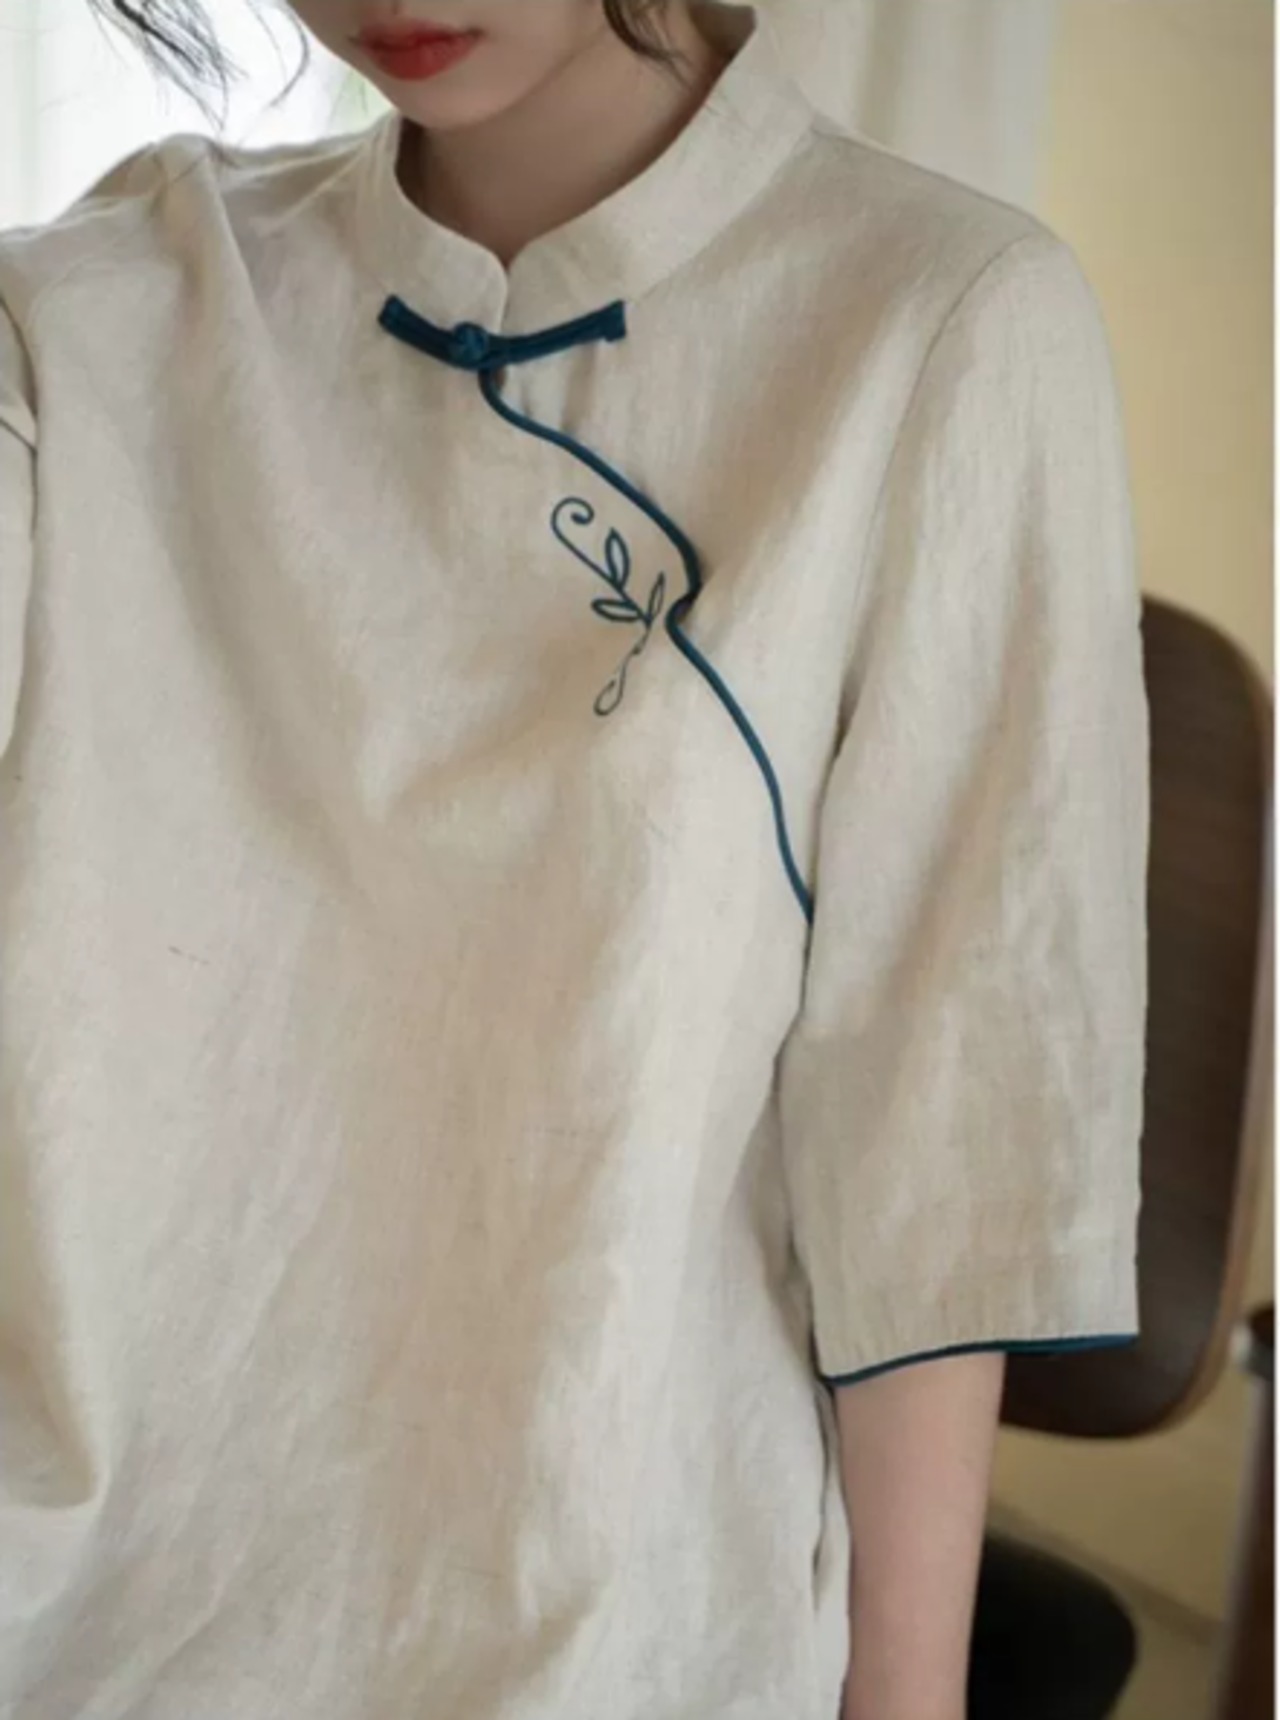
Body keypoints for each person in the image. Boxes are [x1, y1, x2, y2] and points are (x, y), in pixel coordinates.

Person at [0, 3, 1149, 1717]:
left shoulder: (939, 319)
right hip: (85, 1589)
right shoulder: (115, 299)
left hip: (603, 1583)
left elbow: (945, 1104)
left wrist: (904, 1693)